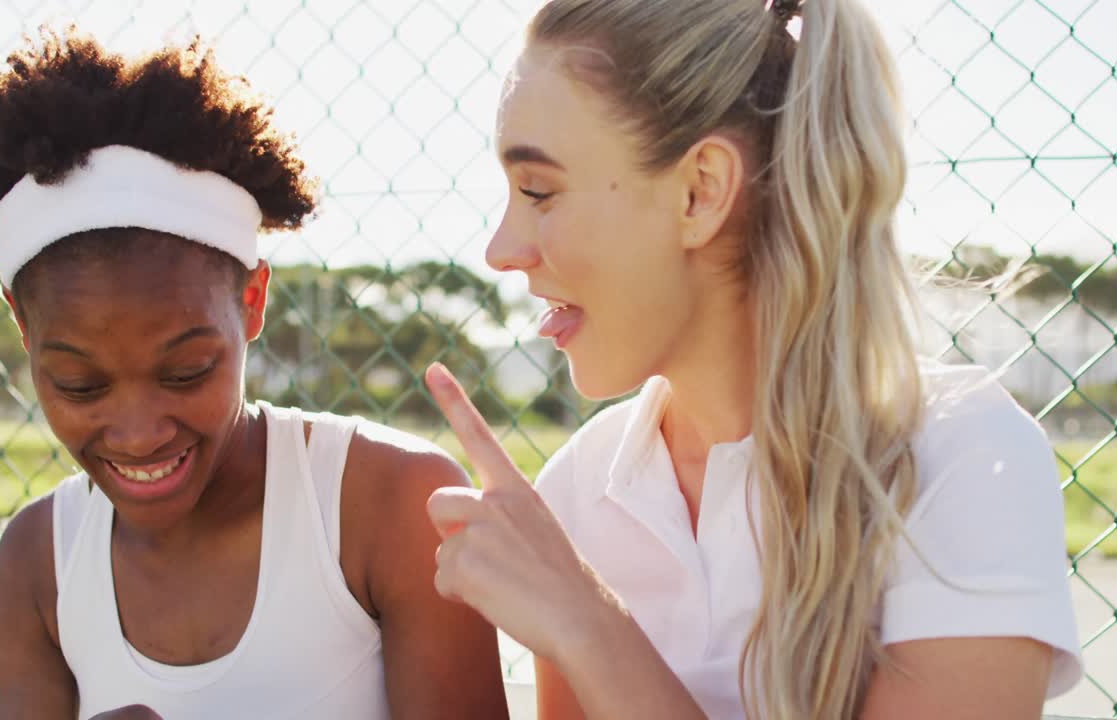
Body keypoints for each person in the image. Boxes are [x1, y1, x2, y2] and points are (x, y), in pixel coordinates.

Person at [421, 1, 1083, 718]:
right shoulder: (580, 488)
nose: (500, 249)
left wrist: (586, 621)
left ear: (700, 192)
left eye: (538, 192)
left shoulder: (960, 457)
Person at [0, 29, 509, 720]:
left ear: (252, 300)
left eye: (187, 372)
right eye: (80, 385)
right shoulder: (39, 564)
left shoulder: (390, 506)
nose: (139, 434)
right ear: (21, 324)